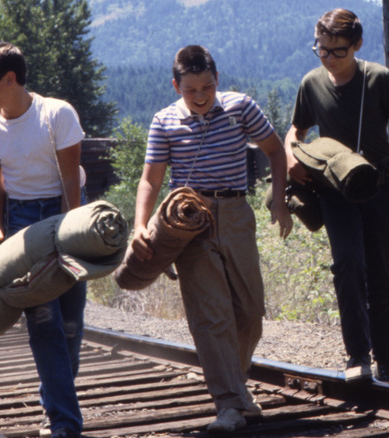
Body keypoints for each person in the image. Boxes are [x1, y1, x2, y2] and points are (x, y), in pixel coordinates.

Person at [131, 45, 292, 433]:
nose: (200, 96)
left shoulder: (241, 108)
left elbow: (275, 151)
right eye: (190, 90)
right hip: (189, 220)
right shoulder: (164, 121)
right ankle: (229, 404)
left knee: (250, 312)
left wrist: (280, 202)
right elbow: (150, 178)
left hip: (236, 213)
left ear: (217, 80)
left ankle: (234, 387)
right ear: (176, 86)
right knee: (211, 315)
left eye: (207, 86)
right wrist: (140, 225)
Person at [284, 9, 389, 383]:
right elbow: (295, 130)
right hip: (336, 193)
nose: (330, 59)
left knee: (381, 274)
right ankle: (358, 357)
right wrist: (291, 157)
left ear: (357, 45)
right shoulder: (311, 83)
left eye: (338, 51)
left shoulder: (378, 79)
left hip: (382, 189)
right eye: (322, 51)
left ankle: (387, 361)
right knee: (347, 266)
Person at [0, 42, 86, 438]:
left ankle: (55, 398)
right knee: (43, 321)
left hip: (64, 212)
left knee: (69, 322)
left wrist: (75, 231)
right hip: (21, 220)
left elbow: (71, 178)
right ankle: (65, 423)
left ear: (10, 79)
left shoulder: (56, 113)